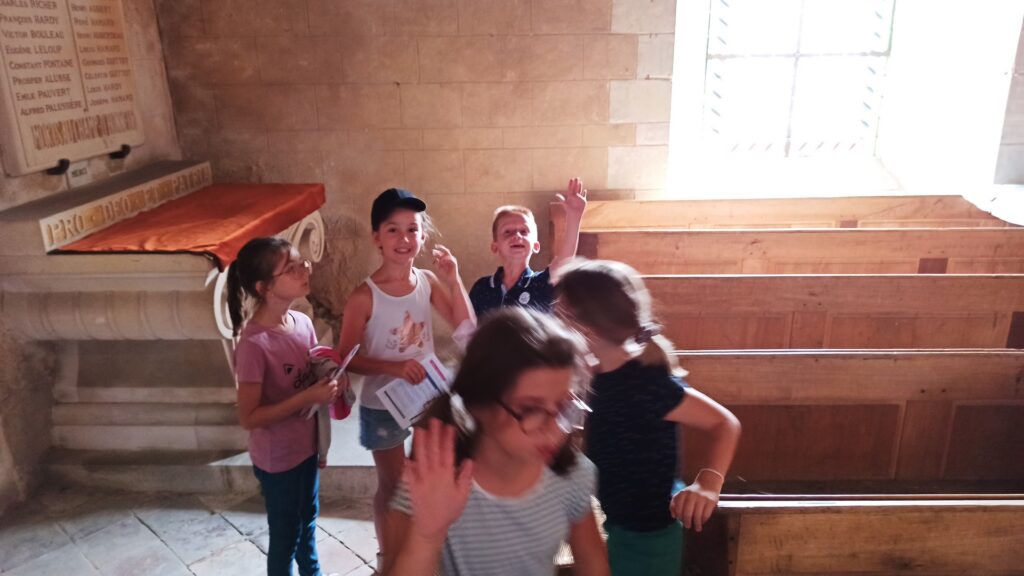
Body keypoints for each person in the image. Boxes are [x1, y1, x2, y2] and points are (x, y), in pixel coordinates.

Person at [383, 308, 610, 576]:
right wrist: (426, 536)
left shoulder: (571, 475)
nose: (554, 430)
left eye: (564, 407)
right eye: (530, 410)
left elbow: (593, 565)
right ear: (479, 404)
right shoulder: (433, 482)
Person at [554, 259, 742, 576]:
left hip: (650, 536)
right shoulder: (598, 372)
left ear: (588, 326)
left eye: (562, 316)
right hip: (618, 523)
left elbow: (724, 423)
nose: (558, 325)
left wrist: (708, 483)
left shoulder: (647, 384)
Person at [335, 188, 476, 571]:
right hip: (383, 405)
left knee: (436, 474)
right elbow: (347, 359)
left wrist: (454, 279)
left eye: (412, 229)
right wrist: (394, 367)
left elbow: (465, 327)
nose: (404, 238)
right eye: (393, 230)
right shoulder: (363, 297)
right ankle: (389, 557)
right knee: (395, 486)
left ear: (423, 236)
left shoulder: (427, 281)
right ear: (376, 237)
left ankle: (431, 550)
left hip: (427, 397)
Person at [228, 237, 341, 576]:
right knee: (285, 537)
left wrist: (332, 375)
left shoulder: (301, 323)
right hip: (277, 460)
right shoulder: (254, 344)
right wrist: (307, 398)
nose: (304, 270)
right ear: (264, 287)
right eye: (291, 269)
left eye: (302, 263)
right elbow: (249, 417)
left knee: (308, 522)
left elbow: (313, 368)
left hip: (306, 448)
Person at [468, 178, 587, 317]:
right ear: (495, 247)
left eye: (524, 231)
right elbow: (468, 325)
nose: (517, 236)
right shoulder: (482, 288)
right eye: (508, 232)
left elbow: (564, 262)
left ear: (536, 246)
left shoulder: (542, 283)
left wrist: (574, 217)